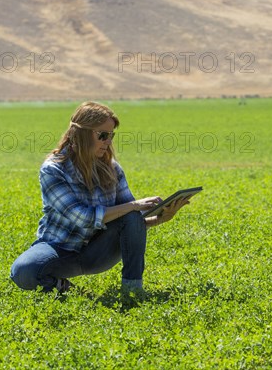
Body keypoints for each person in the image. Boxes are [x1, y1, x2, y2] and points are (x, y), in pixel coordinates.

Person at [10, 101, 190, 295]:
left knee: (131, 214)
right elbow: (82, 217)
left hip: (99, 252)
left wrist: (159, 218)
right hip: (60, 248)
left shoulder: (112, 168)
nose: (108, 142)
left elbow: (130, 223)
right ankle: (63, 288)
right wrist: (133, 206)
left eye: (111, 136)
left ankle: (133, 291)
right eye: (102, 135)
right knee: (23, 272)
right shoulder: (53, 170)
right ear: (81, 134)